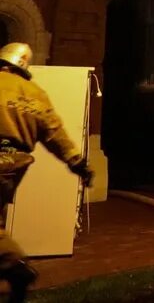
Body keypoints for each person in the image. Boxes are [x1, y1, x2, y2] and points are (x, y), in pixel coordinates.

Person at [0, 42, 93, 301]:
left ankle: (15, 266)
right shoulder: (34, 93)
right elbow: (55, 133)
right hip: (14, 163)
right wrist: (78, 164)